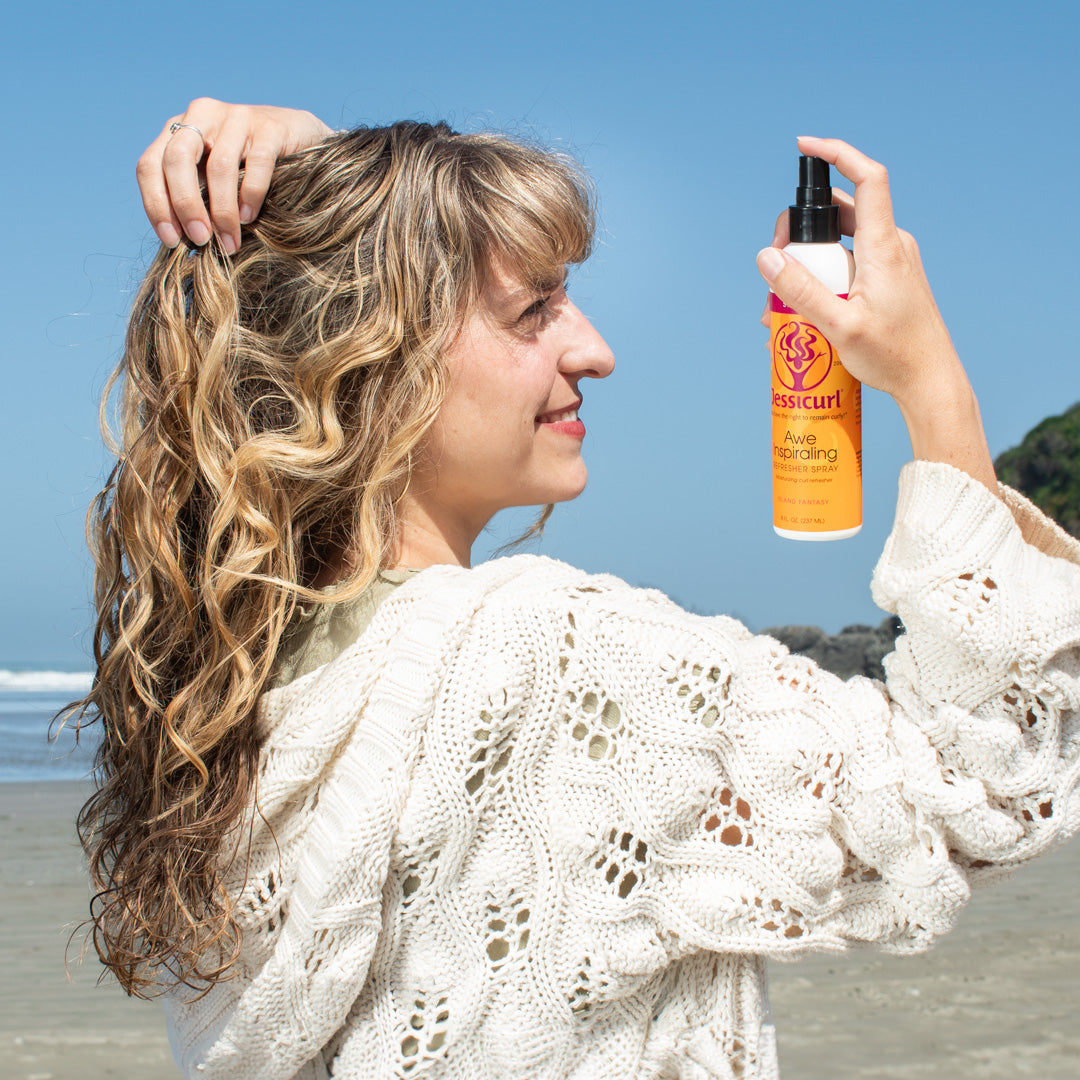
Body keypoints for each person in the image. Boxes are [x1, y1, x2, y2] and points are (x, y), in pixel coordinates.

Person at [75, 99, 1080, 1080]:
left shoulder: (231, 688)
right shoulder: (550, 661)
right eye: (535, 310)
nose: (594, 350)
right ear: (369, 356)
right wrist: (929, 377)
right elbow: (983, 785)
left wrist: (339, 178)